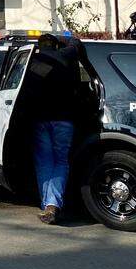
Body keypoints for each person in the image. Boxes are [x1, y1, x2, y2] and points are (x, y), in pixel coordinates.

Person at [24, 33, 86, 225]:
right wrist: (70, 38)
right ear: (56, 45)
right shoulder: (65, 55)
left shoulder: (33, 60)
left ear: (40, 46)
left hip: (41, 120)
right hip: (65, 120)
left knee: (44, 162)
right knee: (61, 161)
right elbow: (76, 44)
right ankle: (53, 204)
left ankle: (48, 205)